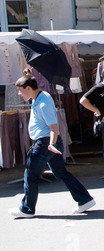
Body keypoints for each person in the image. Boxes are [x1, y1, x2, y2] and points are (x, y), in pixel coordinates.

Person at [9, 73, 95, 218]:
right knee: (61, 173)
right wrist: (29, 76)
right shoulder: (41, 95)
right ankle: (85, 199)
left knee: (30, 175)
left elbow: (54, 127)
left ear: (28, 88)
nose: (19, 93)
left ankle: (27, 209)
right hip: (48, 143)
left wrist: (51, 144)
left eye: (20, 90)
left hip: (46, 143)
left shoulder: (42, 103)